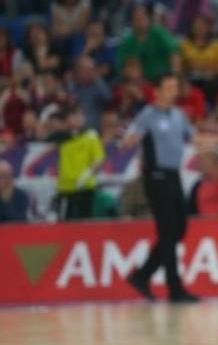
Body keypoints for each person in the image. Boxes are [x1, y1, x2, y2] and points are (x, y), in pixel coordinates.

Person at [122, 75, 202, 303]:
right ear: (156, 91)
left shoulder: (179, 115)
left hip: (174, 176)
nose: (173, 92)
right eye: (168, 88)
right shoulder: (148, 115)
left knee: (179, 229)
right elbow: (130, 138)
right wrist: (128, 140)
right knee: (167, 232)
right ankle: (174, 289)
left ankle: (142, 274)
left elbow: (195, 138)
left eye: (175, 87)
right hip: (156, 176)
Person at [54, 107, 105, 221]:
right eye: (73, 116)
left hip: (84, 187)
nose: (77, 119)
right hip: (66, 188)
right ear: (67, 119)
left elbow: (98, 159)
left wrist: (86, 175)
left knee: (83, 223)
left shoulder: (90, 137)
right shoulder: (62, 138)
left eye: (79, 116)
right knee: (65, 223)